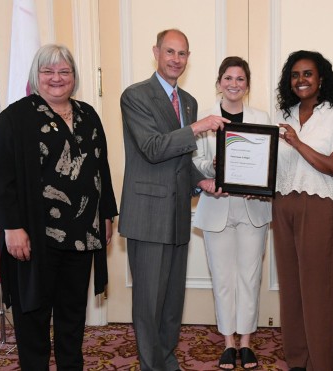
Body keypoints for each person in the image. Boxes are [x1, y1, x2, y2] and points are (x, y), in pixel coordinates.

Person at [0, 44, 118, 370]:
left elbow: (100, 168)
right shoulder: (15, 118)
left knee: (72, 317)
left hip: (82, 237)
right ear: (36, 76)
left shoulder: (88, 115)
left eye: (64, 71)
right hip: (34, 238)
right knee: (34, 317)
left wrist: (106, 213)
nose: (56, 78)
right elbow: (0, 176)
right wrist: (12, 227)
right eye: (48, 71)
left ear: (74, 76)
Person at [118, 29, 228, 371]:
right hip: (148, 214)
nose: (176, 59)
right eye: (170, 52)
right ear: (156, 52)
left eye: (182, 54)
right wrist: (198, 127)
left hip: (179, 213)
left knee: (170, 301)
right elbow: (152, 148)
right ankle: (151, 365)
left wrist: (203, 181)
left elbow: (181, 159)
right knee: (149, 302)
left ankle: (166, 360)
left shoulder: (189, 101)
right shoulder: (135, 96)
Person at [273, 50, 333, 371]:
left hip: (321, 204)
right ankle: (297, 359)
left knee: (318, 288)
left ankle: (323, 363)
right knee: (291, 285)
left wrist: (297, 143)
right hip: (283, 204)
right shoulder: (284, 114)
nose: (301, 80)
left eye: (307, 74)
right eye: (295, 75)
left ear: (321, 78)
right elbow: (271, 164)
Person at [192, 56, 271, 370]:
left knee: (249, 277)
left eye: (240, 79)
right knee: (223, 278)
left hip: (253, 207)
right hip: (217, 207)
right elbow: (194, 162)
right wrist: (209, 171)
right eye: (228, 78)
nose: (234, 84)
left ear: (247, 85)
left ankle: (247, 343)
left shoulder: (261, 117)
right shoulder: (205, 118)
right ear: (219, 82)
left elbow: (269, 162)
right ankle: (228, 343)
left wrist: (260, 182)